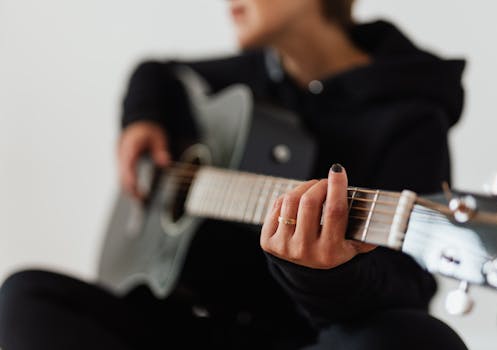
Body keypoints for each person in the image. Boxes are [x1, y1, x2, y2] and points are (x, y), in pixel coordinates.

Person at [0, 0, 468, 349]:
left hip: (295, 337)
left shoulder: (410, 117)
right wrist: (141, 119)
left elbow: (408, 285)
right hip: (189, 323)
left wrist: (325, 274)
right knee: (27, 295)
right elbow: (157, 72)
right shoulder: (250, 74)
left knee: (416, 341)